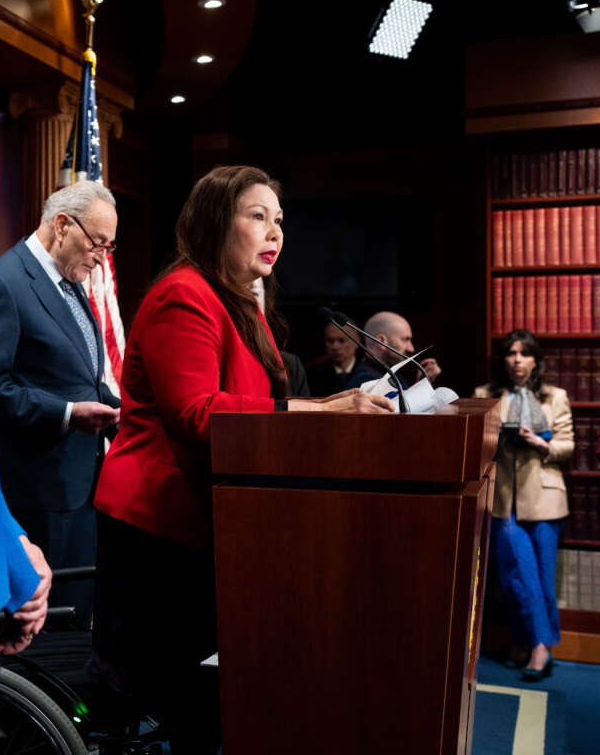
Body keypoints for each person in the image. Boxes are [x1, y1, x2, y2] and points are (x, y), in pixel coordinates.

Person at [92, 165, 392, 751]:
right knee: (172, 696)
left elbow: (262, 401)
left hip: (210, 521)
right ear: (213, 222)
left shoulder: (241, 303)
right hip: (157, 526)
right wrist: (324, 412)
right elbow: (199, 412)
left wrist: (331, 402)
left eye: (279, 220)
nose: (274, 232)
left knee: (205, 698)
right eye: (257, 217)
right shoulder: (185, 294)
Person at [0, 181, 122, 626]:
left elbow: (79, 375)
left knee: (79, 621)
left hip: (81, 487)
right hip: (36, 496)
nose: (102, 257)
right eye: (97, 243)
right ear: (62, 225)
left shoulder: (71, 281)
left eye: (109, 246)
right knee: (48, 634)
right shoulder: (4, 282)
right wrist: (65, 414)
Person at [474, 329, 573, 681]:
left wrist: (539, 442)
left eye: (524, 353)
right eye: (511, 353)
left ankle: (531, 644)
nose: (517, 359)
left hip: (545, 498)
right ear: (503, 360)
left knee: (542, 578)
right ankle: (536, 644)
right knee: (516, 577)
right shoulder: (485, 396)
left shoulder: (554, 396)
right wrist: (498, 434)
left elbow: (567, 446)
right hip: (503, 500)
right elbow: (476, 446)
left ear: (535, 360)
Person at [347, 310, 441, 390]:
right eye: (405, 339)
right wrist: (421, 386)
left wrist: (421, 382)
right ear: (381, 341)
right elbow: (400, 410)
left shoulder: (389, 373)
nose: (411, 348)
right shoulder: (366, 381)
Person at [307, 321, 358, 397]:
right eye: (330, 341)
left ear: (356, 341)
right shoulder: (313, 376)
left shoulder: (370, 373)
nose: (335, 347)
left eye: (341, 340)